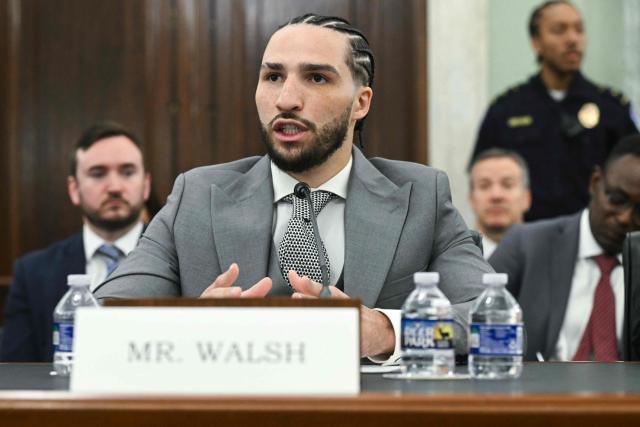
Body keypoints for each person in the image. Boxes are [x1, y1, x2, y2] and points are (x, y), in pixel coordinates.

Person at [95, 14, 491, 362]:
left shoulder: (422, 196)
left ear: (361, 102)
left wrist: (387, 331)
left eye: (316, 77)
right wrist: (190, 327)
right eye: (273, 77)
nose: (286, 99)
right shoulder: (197, 196)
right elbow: (95, 319)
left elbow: (491, 320)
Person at [471, 0, 639, 222]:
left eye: (579, 29)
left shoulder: (611, 107)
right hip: (526, 237)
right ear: (536, 42)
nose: (572, 39)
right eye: (559, 30)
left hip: (592, 235)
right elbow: (482, 174)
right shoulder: (507, 110)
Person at [0, 122, 151, 362]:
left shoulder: (181, 262)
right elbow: (14, 373)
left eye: (128, 172)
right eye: (98, 173)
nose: (114, 187)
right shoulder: (33, 274)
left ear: (146, 186)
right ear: (74, 189)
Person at [489, 135, 640, 361]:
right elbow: (475, 315)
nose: (625, 217)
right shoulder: (526, 244)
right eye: (617, 200)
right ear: (595, 182)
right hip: (537, 393)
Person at [468, 149, 532, 258]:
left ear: (527, 198)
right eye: (484, 186)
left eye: (507, 185)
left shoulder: (552, 258)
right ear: (471, 199)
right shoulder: (449, 261)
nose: (496, 195)